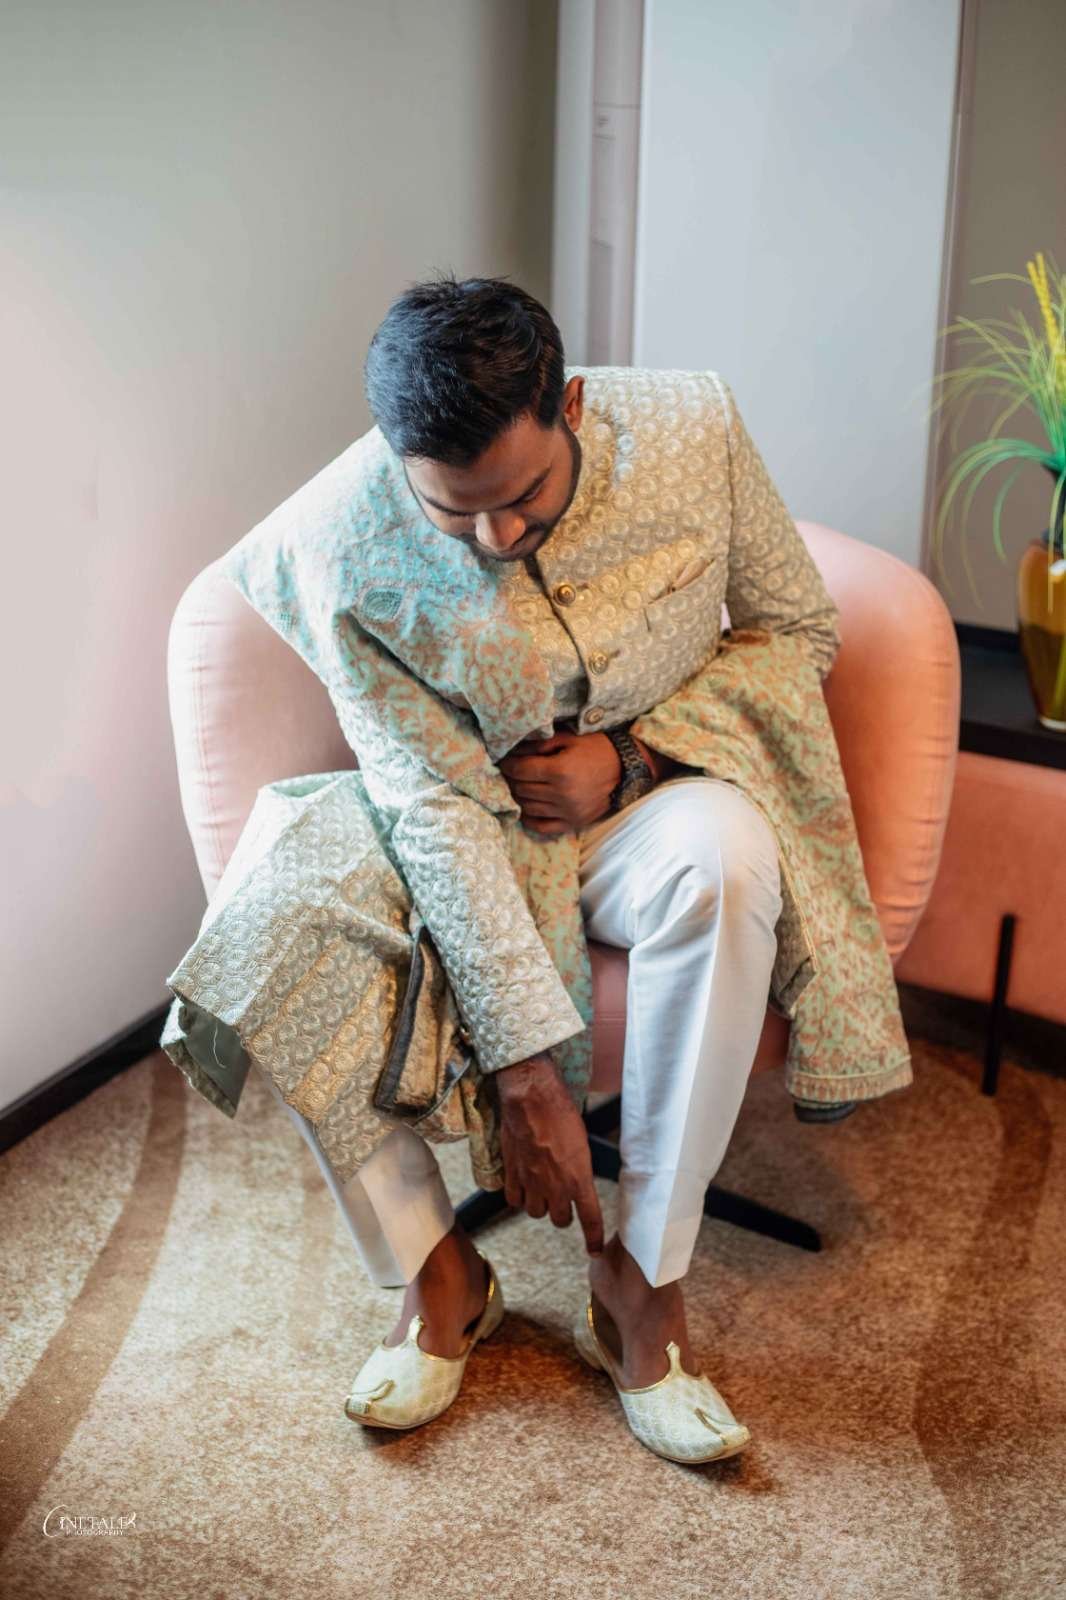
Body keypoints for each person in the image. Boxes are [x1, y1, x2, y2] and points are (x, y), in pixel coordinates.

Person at [244, 272, 849, 1463]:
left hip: (642, 800)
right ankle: (439, 1277)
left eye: (521, 497)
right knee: (273, 907)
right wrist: (526, 1072)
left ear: (568, 404)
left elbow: (798, 630)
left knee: (727, 858)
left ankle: (641, 1287)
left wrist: (629, 758)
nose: (496, 539)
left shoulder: (696, 427)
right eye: (453, 512)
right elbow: (426, 805)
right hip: (451, 816)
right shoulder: (331, 541)